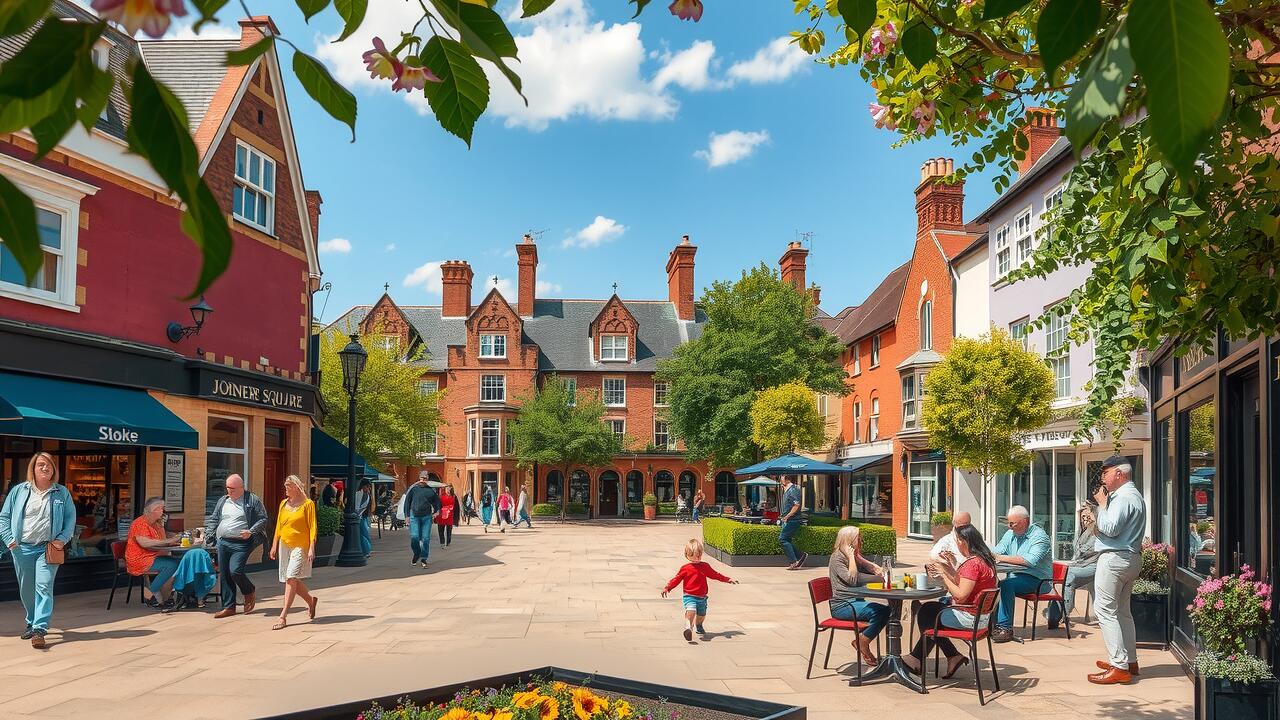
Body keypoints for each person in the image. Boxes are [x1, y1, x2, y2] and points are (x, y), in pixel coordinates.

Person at [902, 524, 1000, 678]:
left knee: (926, 612)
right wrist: (948, 568)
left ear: (963, 541)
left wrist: (944, 576)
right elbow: (965, 583)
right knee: (931, 610)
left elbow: (961, 595)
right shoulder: (984, 561)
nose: (955, 545)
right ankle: (945, 656)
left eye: (957, 541)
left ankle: (923, 658)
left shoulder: (972, 564)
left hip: (970, 619)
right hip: (982, 618)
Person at [0, 453, 77, 648]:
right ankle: (31, 620)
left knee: (43, 585)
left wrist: (62, 540)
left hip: (48, 548)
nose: (45, 468)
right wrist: (10, 542)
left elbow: (70, 519)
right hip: (21, 548)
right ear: (33, 469)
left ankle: (39, 628)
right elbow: (4, 518)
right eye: (40, 464)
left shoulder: (61, 492)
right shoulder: (19, 491)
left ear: (53, 470)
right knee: (27, 589)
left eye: (49, 465)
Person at [1088, 455, 1147, 685]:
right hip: (1128, 557)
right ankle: (1129, 660)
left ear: (1119, 473)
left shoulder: (1123, 497)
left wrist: (1102, 506)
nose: (1103, 477)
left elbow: (1110, 528)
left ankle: (1119, 665)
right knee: (1122, 612)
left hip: (1115, 558)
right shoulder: (1132, 495)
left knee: (1105, 610)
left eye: (1105, 472)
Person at [204, 474, 269, 619]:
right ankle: (229, 607)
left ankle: (249, 590)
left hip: (242, 542)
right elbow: (214, 518)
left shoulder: (252, 499)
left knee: (235, 571)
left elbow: (263, 518)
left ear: (241, 487)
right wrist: (209, 534)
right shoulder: (223, 500)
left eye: (233, 489)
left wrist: (251, 531)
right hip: (223, 542)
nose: (229, 491)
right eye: (227, 488)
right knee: (225, 573)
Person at [827, 526, 890, 666]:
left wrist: (860, 559)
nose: (861, 540)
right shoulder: (838, 557)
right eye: (858, 537)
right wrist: (851, 557)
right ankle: (862, 642)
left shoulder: (854, 557)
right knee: (882, 611)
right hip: (843, 605)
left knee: (887, 610)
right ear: (849, 540)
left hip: (856, 601)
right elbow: (852, 579)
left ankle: (864, 642)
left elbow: (876, 571)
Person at [990, 505, 1052, 642]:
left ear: (1024, 522)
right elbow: (997, 550)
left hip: (1039, 580)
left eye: (1012, 523)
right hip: (1016, 576)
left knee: (1006, 585)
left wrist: (1000, 558)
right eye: (1008, 523)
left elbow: (1030, 561)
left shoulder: (1040, 537)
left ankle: (1005, 628)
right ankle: (991, 625)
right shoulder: (1010, 534)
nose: (1009, 527)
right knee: (992, 584)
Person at [661, 538, 738, 642]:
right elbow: (677, 579)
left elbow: (715, 575)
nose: (697, 557)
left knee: (701, 615)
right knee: (691, 609)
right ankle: (688, 627)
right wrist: (668, 587)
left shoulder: (705, 566)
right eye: (693, 555)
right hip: (689, 595)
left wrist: (727, 579)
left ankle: (699, 625)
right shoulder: (685, 568)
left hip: (702, 597)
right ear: (687, 555)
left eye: (699, 555)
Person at [269, 475, 318, 630]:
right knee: (291, 579)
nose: (285, 489)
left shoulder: (307, 504)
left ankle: (283, 616)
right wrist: (274, 545)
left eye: (287, 486)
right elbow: (279, 526)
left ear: (296, 487)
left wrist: (311, 547)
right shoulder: (284, 504)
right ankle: (310, 601)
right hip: (285, 545)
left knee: (291, 577)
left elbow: (312, 527)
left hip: (300, 546)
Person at [1048, 504, 1101, 630]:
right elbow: (1078, 551)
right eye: (1082, 517)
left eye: (1088, 516)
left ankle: (1064, 612)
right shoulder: (1082, 531)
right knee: (1059, 576)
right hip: (1082, 564)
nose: (1085, 519)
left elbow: (1087, 550)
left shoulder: (1097, 531)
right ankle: (1056, 614)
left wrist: (1079, 551)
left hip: (1094, 565)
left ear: (1094, 515)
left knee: (1068, 574)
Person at [124, 497, 183, 609]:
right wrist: (170, 541)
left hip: (153, 556)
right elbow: (145, 543)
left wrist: (170, 534)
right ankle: (150, 595)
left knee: (181, 562)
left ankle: (171, 595)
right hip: (139, 559)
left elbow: (162, 540)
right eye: (161, 508)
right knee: (172, 565)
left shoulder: (156, 523)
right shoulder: (140, 523)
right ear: (151, 511)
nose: (163, 511)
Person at [402, 473, 440, 568]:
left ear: (427, 479)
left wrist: (437, 511)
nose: (423, 480)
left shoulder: (431, 491)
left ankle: (423, 558)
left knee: (426, 538)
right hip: (414, 517)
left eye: (425, 478)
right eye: (422, 478)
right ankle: (417, 553)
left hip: (427, 517)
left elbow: (437, 503)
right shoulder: (413, 489)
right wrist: (407, 516)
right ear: (419, 478)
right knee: (414, 537)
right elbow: (407, 503)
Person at [779, 476, 806, 570]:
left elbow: (796, 505)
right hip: (788, 519)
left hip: (792, 520)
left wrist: (787, 516)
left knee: (783, 539)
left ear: (786, 479)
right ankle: (801, 556)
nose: (780, 479)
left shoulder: (793, 490)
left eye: (781, 477)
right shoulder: (788, 490)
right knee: (787, 540)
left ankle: (794, 562)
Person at [356, 479, 374, 558]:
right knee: (365, 534)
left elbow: (357, 507)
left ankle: (366, 551)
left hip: (360, 517)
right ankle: (367, 551)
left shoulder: (360, 494)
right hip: (363, 517)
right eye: (367, 486)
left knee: (361, 535)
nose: (368, 488)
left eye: (368, 487)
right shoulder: (367, 495)